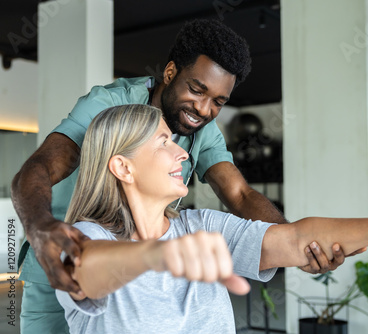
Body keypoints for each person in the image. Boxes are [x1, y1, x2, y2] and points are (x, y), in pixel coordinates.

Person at [11, 19, 346, 333]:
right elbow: (40, 167)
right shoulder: (110, 105)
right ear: (170, 72)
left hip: (137, 272)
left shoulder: (202, 129)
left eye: (218, 101)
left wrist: (295, 244)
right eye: (197, 90)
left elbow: (239, 195)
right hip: (61, 260)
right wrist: (40, 228)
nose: (204, 109)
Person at [55, 104, 368, 334]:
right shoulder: (84, 238)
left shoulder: (201, 226)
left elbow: (299, 237)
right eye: (163, 142)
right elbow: (84, 270)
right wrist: (154, 256)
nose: (182, 154)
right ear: (123, 168)